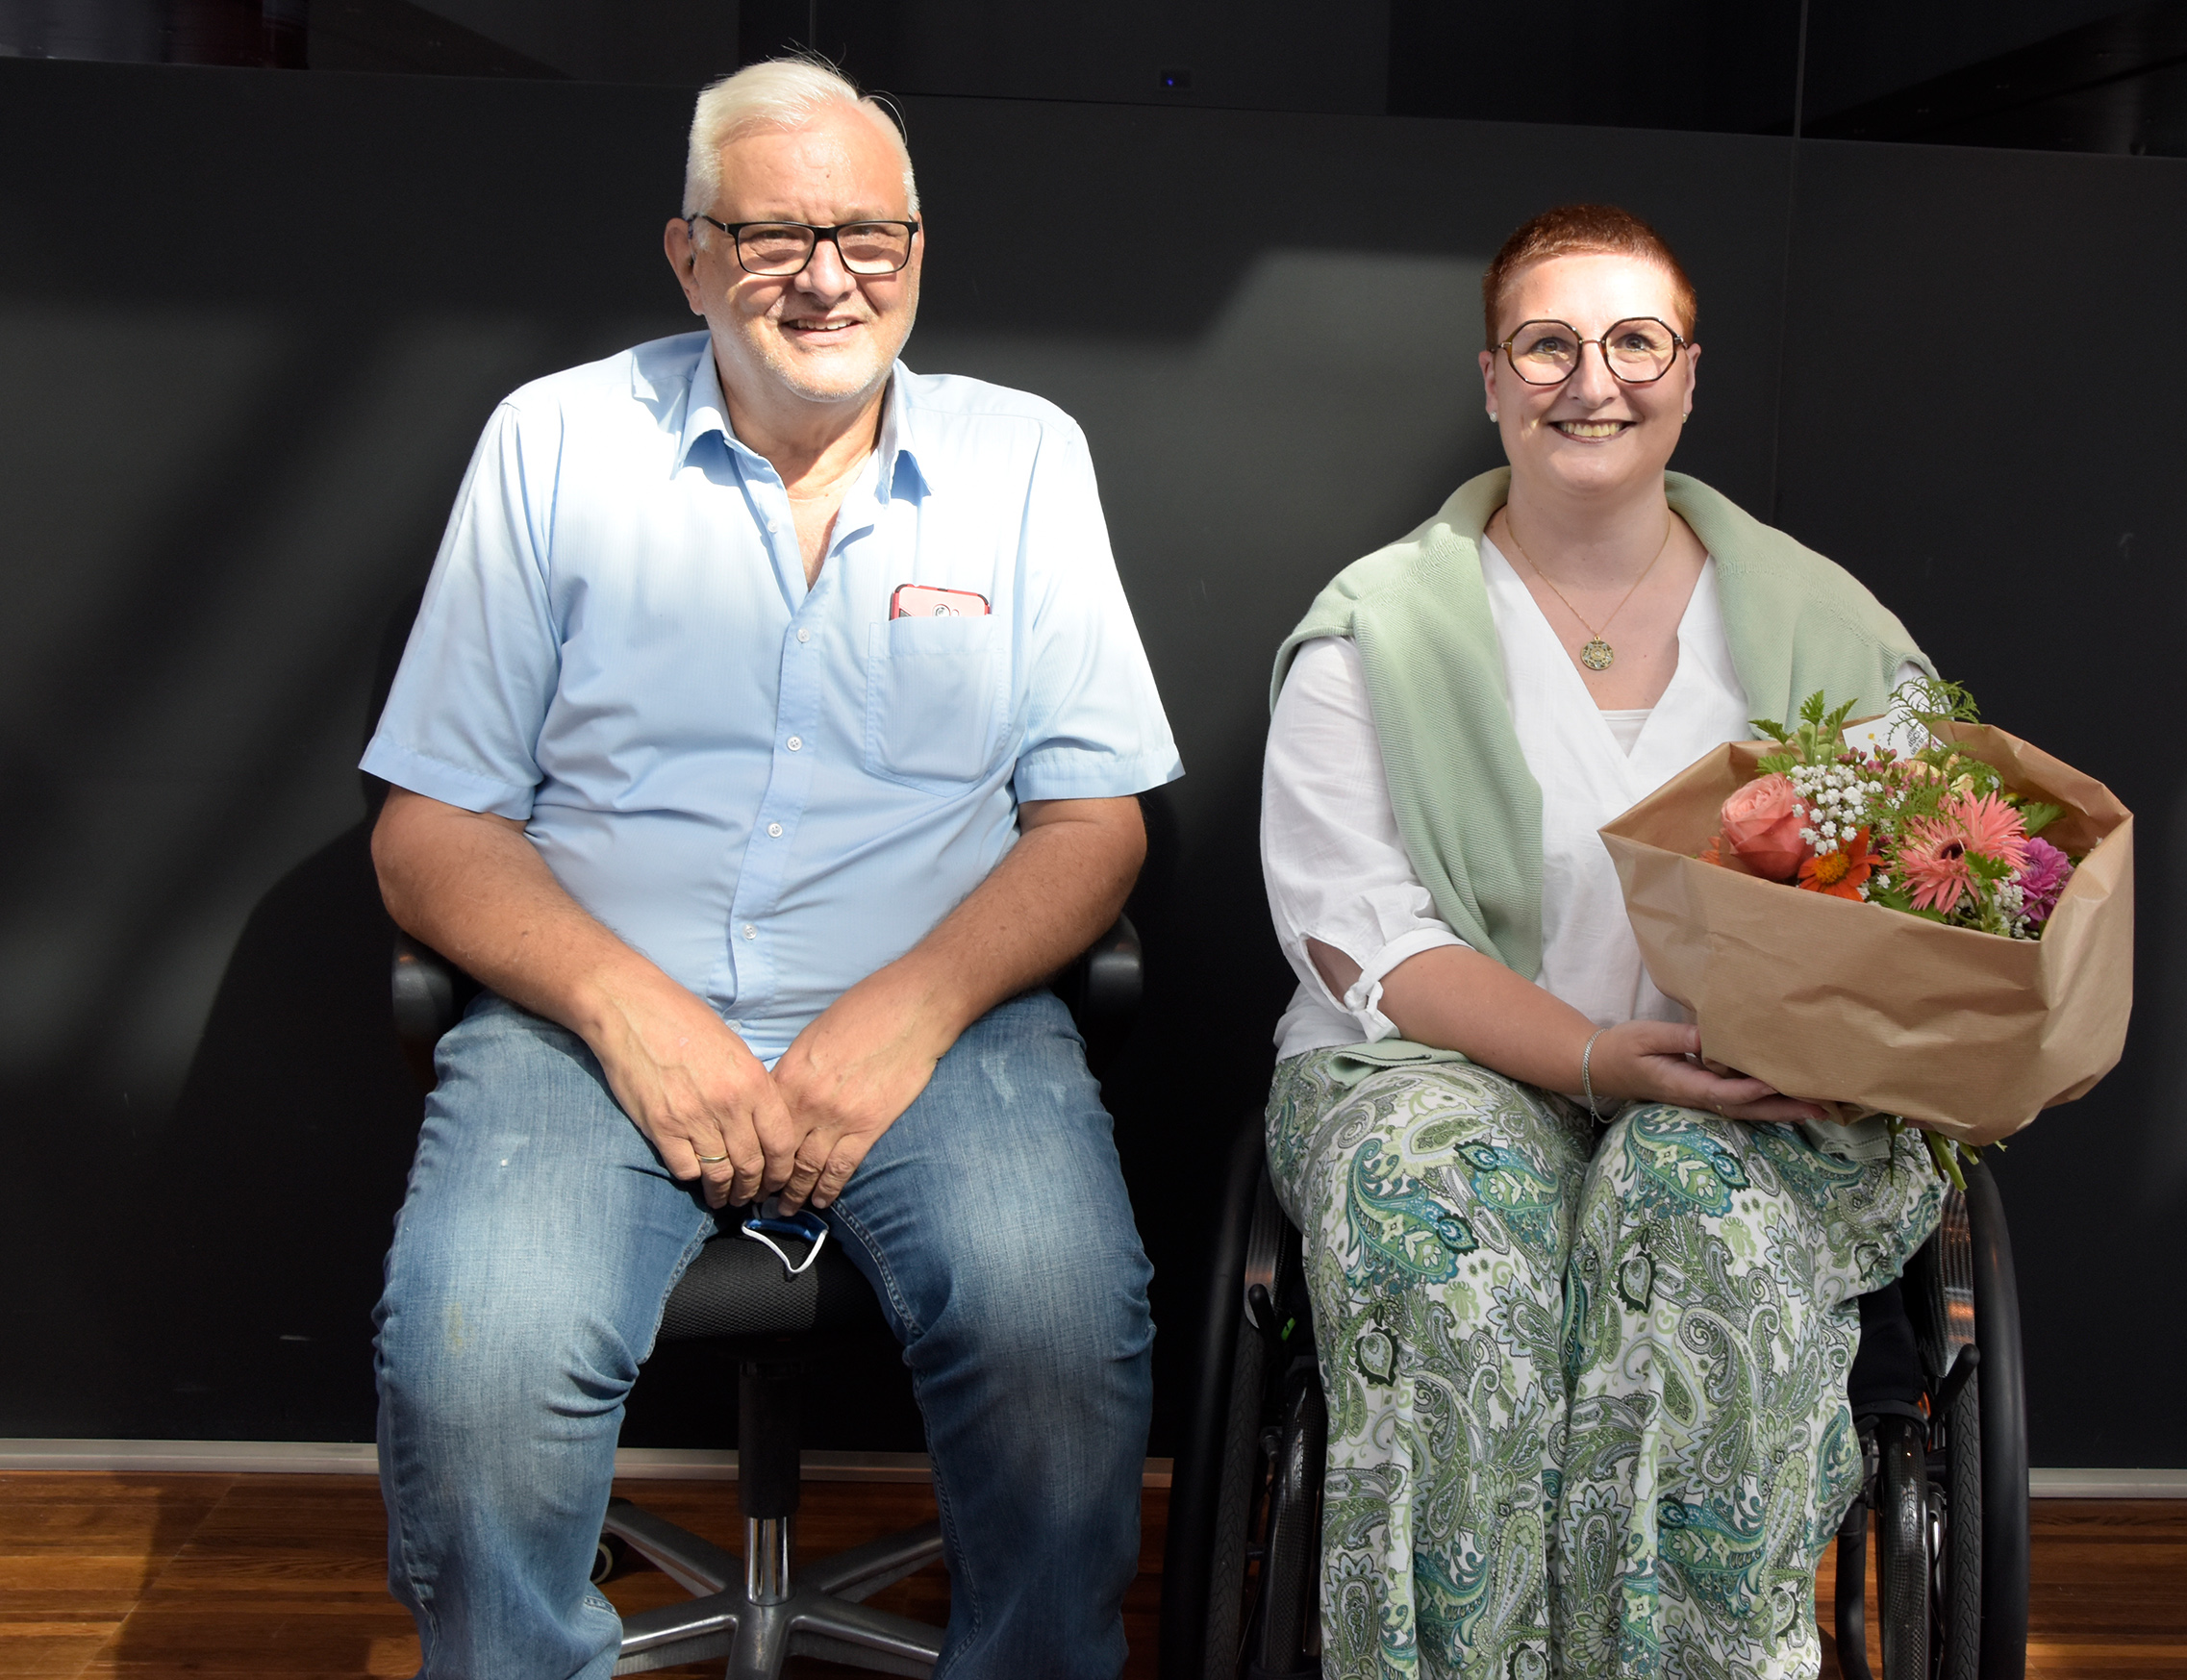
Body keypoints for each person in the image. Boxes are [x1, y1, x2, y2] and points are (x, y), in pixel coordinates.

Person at [362, 55, 1179, 1680]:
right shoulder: (558, 441)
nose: (829, 278)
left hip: (940, 1027)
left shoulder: (1024, 459)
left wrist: (909, 1012)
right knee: (476, 1361)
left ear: (919, 253)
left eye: (871, 237)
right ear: (687, 254)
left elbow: (1096, 820)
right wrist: (629, 1012)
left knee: (1056, 1336)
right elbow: (430, 825)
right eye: (776, 235)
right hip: (588, 1028)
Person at [1259, 204, 1947, 1679]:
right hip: (1443, 1075)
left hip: (1747, 1094)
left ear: (1688, 376)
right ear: (1493, 380)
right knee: (1446, 1251)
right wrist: (1586, 1057)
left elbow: (1927, 902)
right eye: (1549, 343)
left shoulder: (1840, 635)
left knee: (1692, 1213)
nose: (1596, 379)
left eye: (1636, 341)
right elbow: (1358, 935)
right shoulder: (1373, 634)